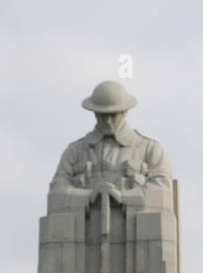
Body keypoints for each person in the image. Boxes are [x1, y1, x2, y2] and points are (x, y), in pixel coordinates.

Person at [48, 81, 173, 213]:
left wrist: (125, 198)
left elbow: (163, 191)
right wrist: (88, 196)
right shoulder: (74, 151)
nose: (107, 121)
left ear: (124, 112)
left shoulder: (150, 149)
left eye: (113, 115)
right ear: (95, 113)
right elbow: (57, 191)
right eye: (102, 115)